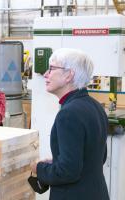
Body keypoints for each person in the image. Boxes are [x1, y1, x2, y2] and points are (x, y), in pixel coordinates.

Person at [31, 48, 109, 200]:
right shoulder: (95, 106)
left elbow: (68, 171)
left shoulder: (68, 114)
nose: (46, 74)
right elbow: (99, 156)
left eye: (52, 69)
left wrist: (39, 168)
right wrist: (57, 162)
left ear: (69, 75)